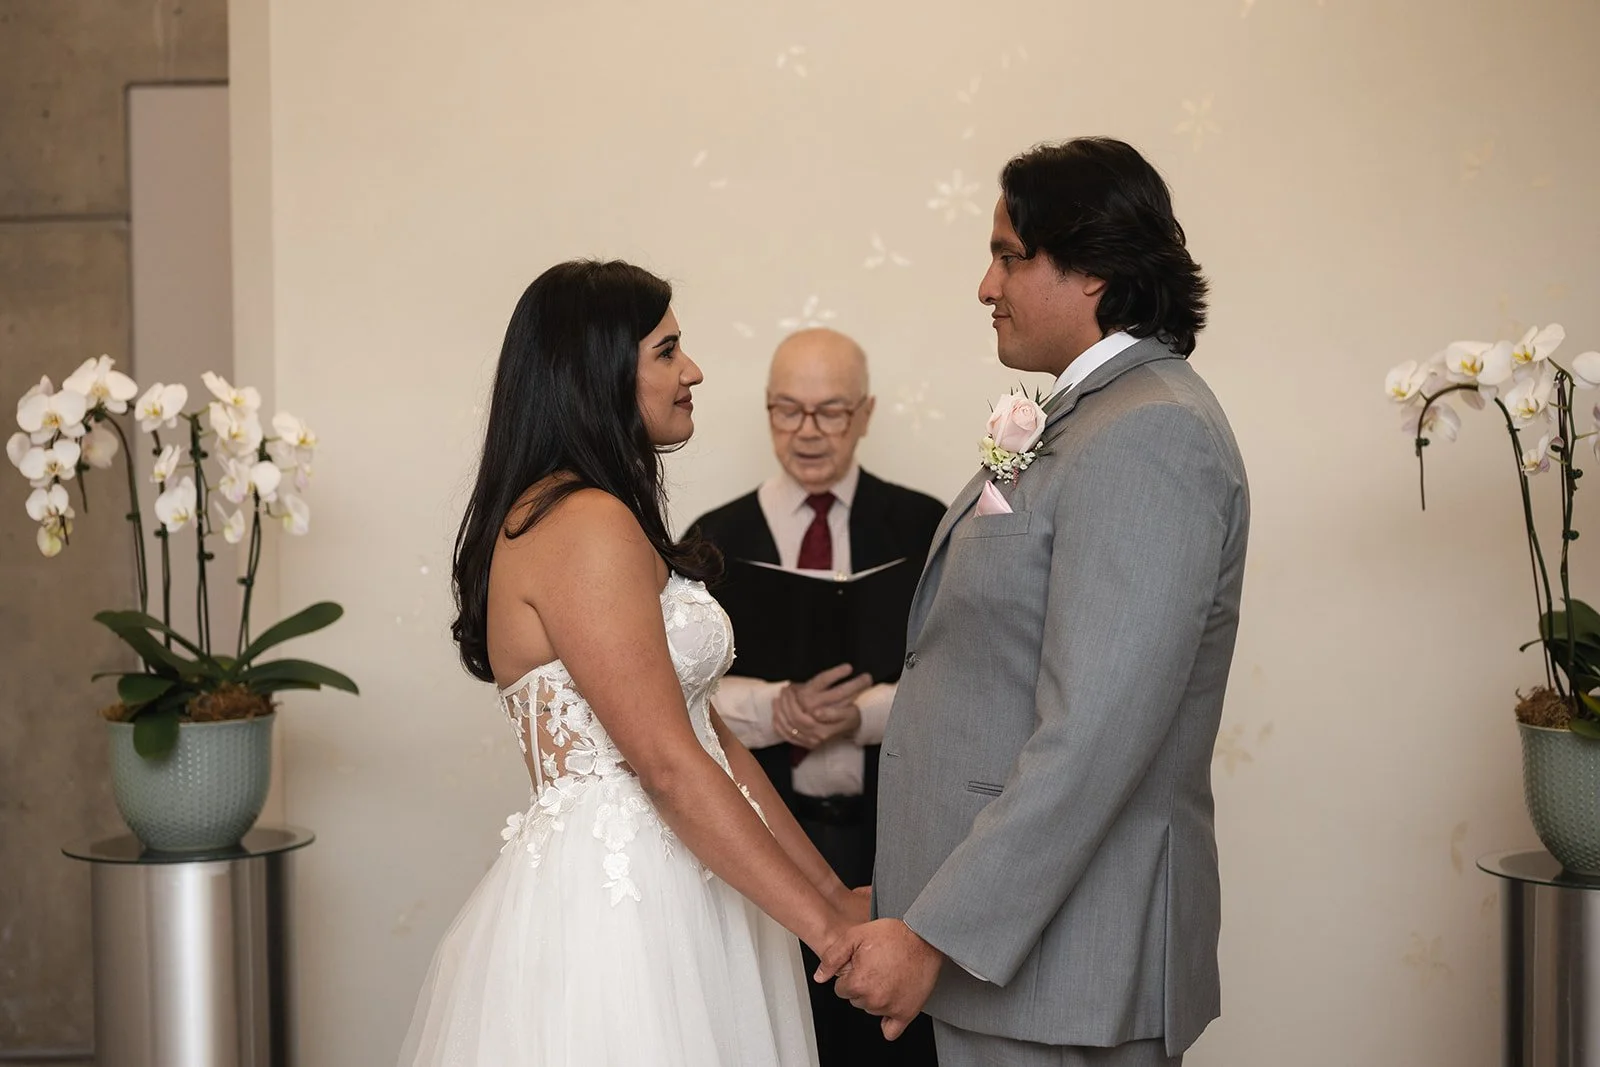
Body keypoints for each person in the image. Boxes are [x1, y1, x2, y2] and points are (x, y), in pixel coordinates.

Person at [819, 137, 1251, 1067]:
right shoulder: (1089, 417)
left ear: (1092, 269)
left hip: (1067, 968)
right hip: (1016, 960)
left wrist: (934, 931)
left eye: (1009, 254)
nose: (986, 284)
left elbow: (1094, 736)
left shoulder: (1150, 434)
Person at [400, 260, 865, 1066]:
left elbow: (711, 739)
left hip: (695, 875)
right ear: (602, 372)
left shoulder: (599, 513)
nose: (694, 371)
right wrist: (826, 935)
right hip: (625, 910)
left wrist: (834, 898)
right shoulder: (583, 522)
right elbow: (666, 764)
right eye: (668, 351)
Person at [687, 328, 944, 1065]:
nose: (807, 432)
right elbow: (668, 689)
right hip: (764, 835)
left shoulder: (924, 525)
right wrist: (776, 707)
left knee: (893, 1040)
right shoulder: (713, 538)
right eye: (787, 410)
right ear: (766, 412)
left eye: (830, 412)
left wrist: (859, 718)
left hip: (896, 832)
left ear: (866, 414)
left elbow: (966, 682)